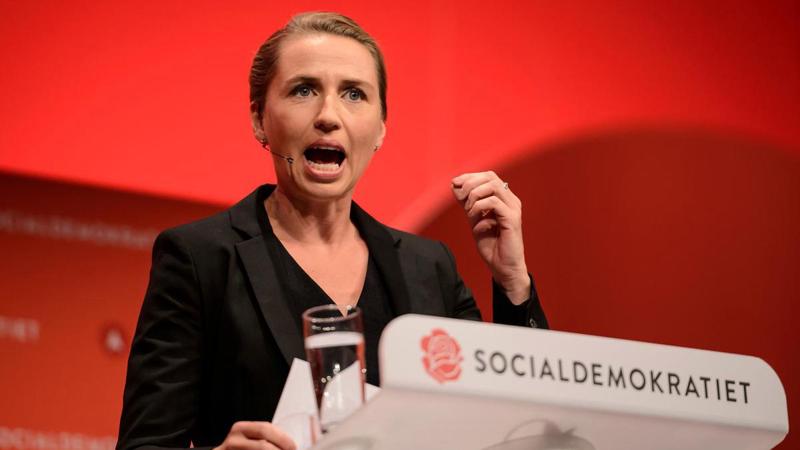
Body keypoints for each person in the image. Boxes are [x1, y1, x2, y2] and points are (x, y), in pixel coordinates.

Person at [116, 11, 548, 450]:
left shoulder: (429, 268)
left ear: (380, 128)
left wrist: (513, 281)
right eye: (303, 90)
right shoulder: (200, 258)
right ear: (259, 119)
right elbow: (144, 443)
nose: (328, 115)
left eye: (354, 94)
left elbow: (521, 431)